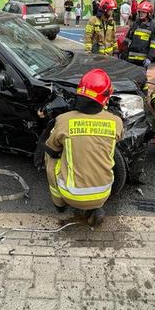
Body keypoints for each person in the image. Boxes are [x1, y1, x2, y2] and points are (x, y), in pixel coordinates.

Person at [44, 68, 123, 226]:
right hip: (104, 193)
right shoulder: (116, 122)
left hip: (71, 194)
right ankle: (94, 207)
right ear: (106, 97)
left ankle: (59, 204)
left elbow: (52, 149)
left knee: (50, 159)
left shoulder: (64, 120)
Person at [120, 0, 155, 68]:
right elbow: (128, 39)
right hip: (130, 59)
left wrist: (149, 58)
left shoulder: (153, 28)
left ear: (149, 14)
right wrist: (123, 52)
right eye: (140, 12)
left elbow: (154, 46)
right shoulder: (135, 24)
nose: (141, 14)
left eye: (144, 12)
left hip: (142, 61)